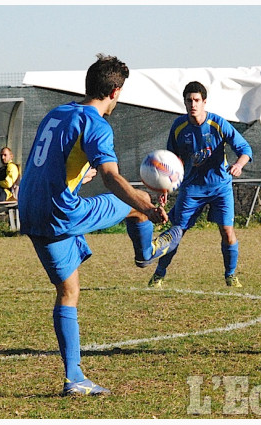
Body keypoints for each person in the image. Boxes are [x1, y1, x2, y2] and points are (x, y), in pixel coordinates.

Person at [18, 54, 182, 397]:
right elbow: (111, 178)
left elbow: (47, 162)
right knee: (134, 209)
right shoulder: (96, 124)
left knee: (69, 291)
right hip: (61, 212)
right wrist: (148, 207)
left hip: (30, 211)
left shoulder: (57, 113)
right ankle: (148, 252)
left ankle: (74, 378)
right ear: (115, 91)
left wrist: (81, 174)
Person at [147, 81, 253, 289]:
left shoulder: (218, 124)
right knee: (177, 231)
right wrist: (164, 188)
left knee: (227, 231)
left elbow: (245, 148)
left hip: (220, 187)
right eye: (189, 100)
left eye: (197, 100)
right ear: (185, 102)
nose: (193, 104)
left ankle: (230, 275)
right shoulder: (179, 127)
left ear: (204, 102)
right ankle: (158, 275)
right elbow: (171, 161)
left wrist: (239, 165)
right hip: (192, 188)